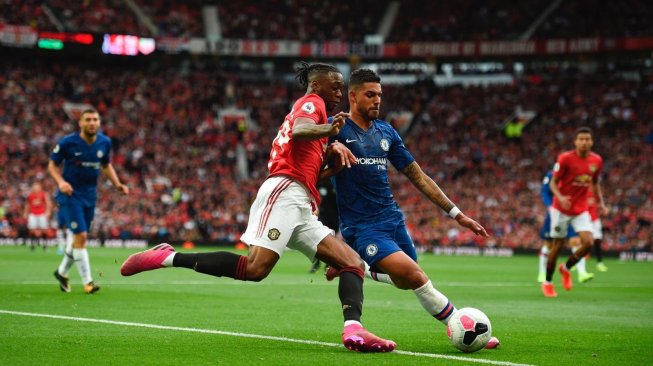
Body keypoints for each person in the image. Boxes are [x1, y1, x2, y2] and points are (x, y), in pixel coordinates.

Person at [120, 62, 396, 353]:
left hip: (301, 200)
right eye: (335, 85)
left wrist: (332, 162)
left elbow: (309, 170)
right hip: (284, 192)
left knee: (351, 262)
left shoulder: (319, 121)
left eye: (342, 86)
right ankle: (168, 257)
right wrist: (331, 129)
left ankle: (354, 331)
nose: (340, 91)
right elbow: (301, 130)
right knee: (256, 268)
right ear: (317, 86)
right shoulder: (311, 103)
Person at [323, 68, 494, 345]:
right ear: (352, 97)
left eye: (379, 95)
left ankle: (355, 266)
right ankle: (462, 325)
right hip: (362, 227)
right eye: (370, 95)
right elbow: (309, 166)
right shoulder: (334, 128)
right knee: (416, 276)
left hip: (392, 220)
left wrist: (457, 214)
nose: (377, 100)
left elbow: (418, 176)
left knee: (406, 280)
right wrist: (328, 157)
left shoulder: (386, 132)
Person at [49, 108, 130, 294]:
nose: (92, 122)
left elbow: (105, 165)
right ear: (81, 123)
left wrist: (117, 184)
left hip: (90, 197)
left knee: (79, 238)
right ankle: (88, 282)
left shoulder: (105, 142)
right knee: (82, 236)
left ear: (99, 123)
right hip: (70, 195)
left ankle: (61, 272)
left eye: (95, 119)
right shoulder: (68, 142)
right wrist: (61, 182)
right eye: (88, 119)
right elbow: (52, 165)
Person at [542, 126, 605, 297]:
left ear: (592, 142)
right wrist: (561, 197)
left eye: (587, 139)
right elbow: (553, 183)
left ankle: (566, 267)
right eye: (581, 139)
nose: (584, 142)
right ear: (575, 142)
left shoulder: (596, 161)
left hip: (580, 209)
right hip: (561, 209)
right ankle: (548, 282)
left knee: (589, 242)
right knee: (557, 246)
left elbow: (595, 183)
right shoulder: (565, 158)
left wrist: (601, 203)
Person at [537, 170, 593, 284]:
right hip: (556, 213)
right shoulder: (551, 174)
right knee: (549, 244)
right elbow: (545, 192)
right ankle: (542, 273)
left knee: (576, 241)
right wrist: (550, 206)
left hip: (574, 212)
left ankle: (582, 272)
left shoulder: (578, 173)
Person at [309, 178, 339, 273]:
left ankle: (328, 264)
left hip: (335, 216)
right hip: (324, 215)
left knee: (332, 240)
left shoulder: (337, 182)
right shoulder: (320, 182)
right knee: (319, 240)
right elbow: (313, 193)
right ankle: (316, 263)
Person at [23, 182, 52, 251]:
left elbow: (48, 203)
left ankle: (45, 246)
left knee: (44, 230)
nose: (35, 189)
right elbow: (27, 204)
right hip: (33, 214)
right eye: (34, 187)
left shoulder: (43, 194)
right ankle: (32, 245)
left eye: (36, 187)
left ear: (40, 188)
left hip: (41, 214)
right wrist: (25, 213)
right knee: (32, 230)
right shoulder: (30, 195)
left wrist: (48, 211)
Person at [588, 186, 609, 272]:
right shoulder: (581, 191)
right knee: (580, 241)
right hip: (583, 219)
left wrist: (602, 208)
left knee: (597, 241)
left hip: (595, 220)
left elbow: (599, 203)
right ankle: (576, 262)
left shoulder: (595, 193)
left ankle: (599, 263)